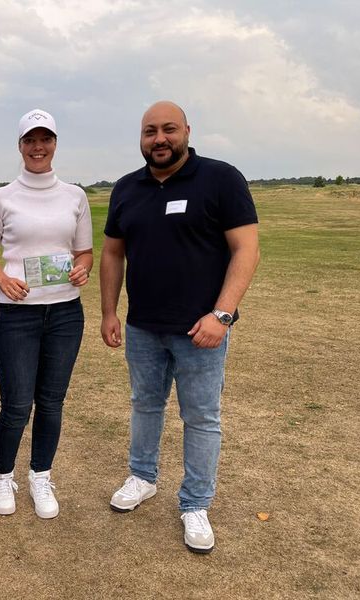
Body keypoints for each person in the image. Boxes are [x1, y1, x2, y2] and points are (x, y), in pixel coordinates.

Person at [100, 100, 260, 553]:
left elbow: (246, 250)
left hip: (201, 330)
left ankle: (194, 503)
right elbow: (113, 253)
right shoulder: (127, 188)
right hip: (143, 327)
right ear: (141, 137)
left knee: (202, 417)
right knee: (145, 405)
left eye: (168, 129)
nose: (159, 139)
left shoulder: (220, 178)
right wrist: (109, 312)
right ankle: (142, 477)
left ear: (187, 130)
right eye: (150, 131)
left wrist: (222, 315)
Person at [0, 109, 93, 519]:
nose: (38, 147)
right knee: (16, 405)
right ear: (20, 146)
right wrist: (2, 281)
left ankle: (40, 475)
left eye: (45, 139)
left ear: (55, 144)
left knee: (51, 403)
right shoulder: (1, 198)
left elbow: (84, 252)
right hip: (18, 315)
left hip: (65, 314)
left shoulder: (75, 196)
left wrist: (83, 268)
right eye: (31, 140)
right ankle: (1, 474)